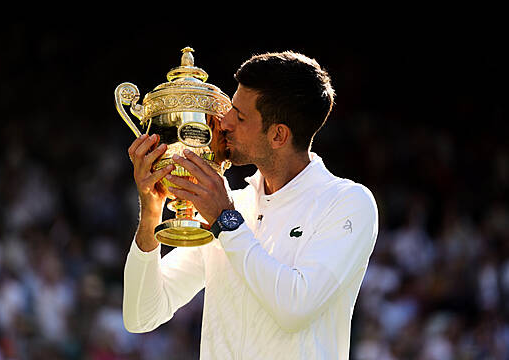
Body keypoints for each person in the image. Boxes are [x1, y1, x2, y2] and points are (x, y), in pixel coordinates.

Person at [122, 51, 379, 359]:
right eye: (231, 108)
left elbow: (294, 309)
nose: (225, 122)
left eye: (240, 117)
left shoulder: (347, 203)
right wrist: (151, 212)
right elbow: (141, 315)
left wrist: (226, 220)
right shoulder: (234, 208)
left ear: (278, 135)